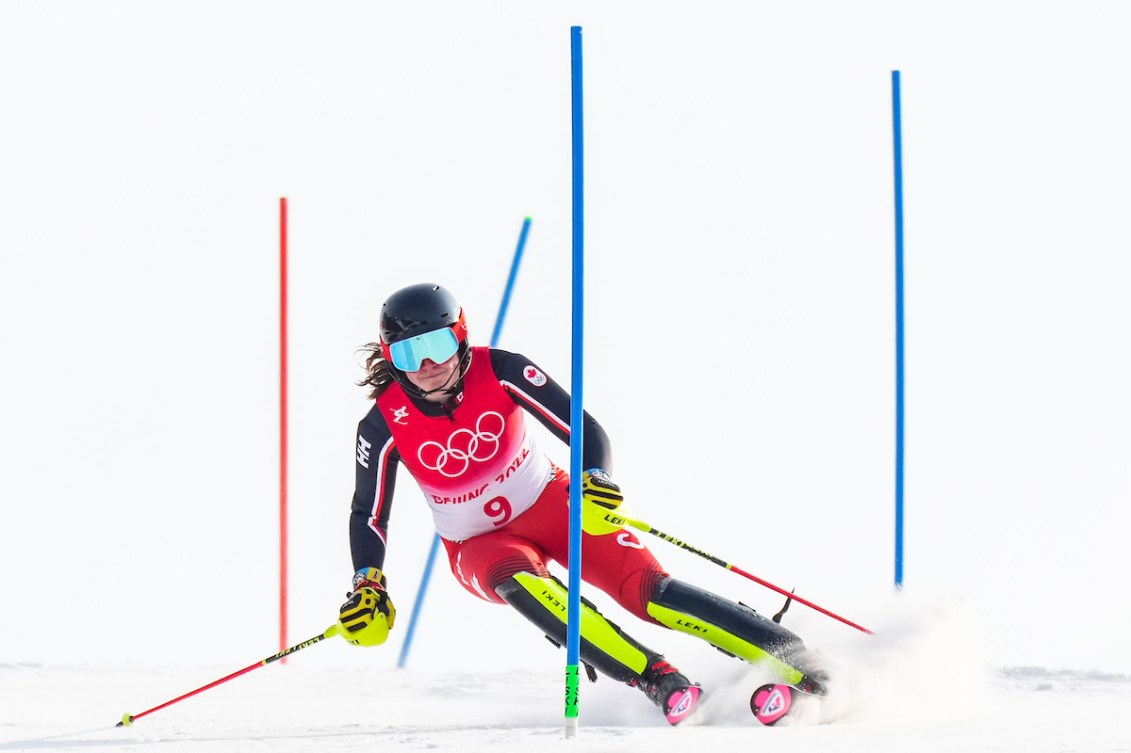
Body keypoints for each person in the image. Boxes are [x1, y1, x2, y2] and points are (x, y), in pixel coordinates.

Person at [336, 282, 826, 725]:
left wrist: (596, 481)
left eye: (437, 345)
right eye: (408, 354)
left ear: (460, 337)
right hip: (478, 545)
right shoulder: (381, 426)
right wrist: (368, 582)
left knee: (648, 591)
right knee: (523, 583)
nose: (426, 366)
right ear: (390, 357)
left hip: (552, 504)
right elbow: (369, 515)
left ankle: (798, 663)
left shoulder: (500, 369)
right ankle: (658, 679)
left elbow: (582, 427)